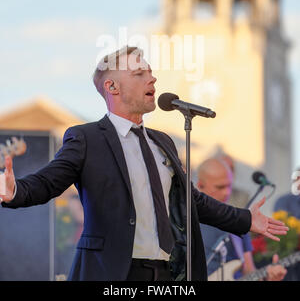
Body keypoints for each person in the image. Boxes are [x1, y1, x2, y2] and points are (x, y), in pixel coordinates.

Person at [0, 46, 288, 281]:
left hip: (167, 271)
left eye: (150, 72)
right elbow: (49, 181)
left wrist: (246, 219)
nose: (152, 79)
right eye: (139, 74)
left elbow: (192, 201)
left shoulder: (162, 141)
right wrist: (15, 190)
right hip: (113, 272)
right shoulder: (86, 138)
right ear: (112, 86)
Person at [197, 158, 287, 281]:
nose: (226, 192)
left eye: (229, 186)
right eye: (220, 187)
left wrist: (267, 277)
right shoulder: (185, 219)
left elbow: (249, 270)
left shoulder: (238, 220)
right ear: (200, 185)